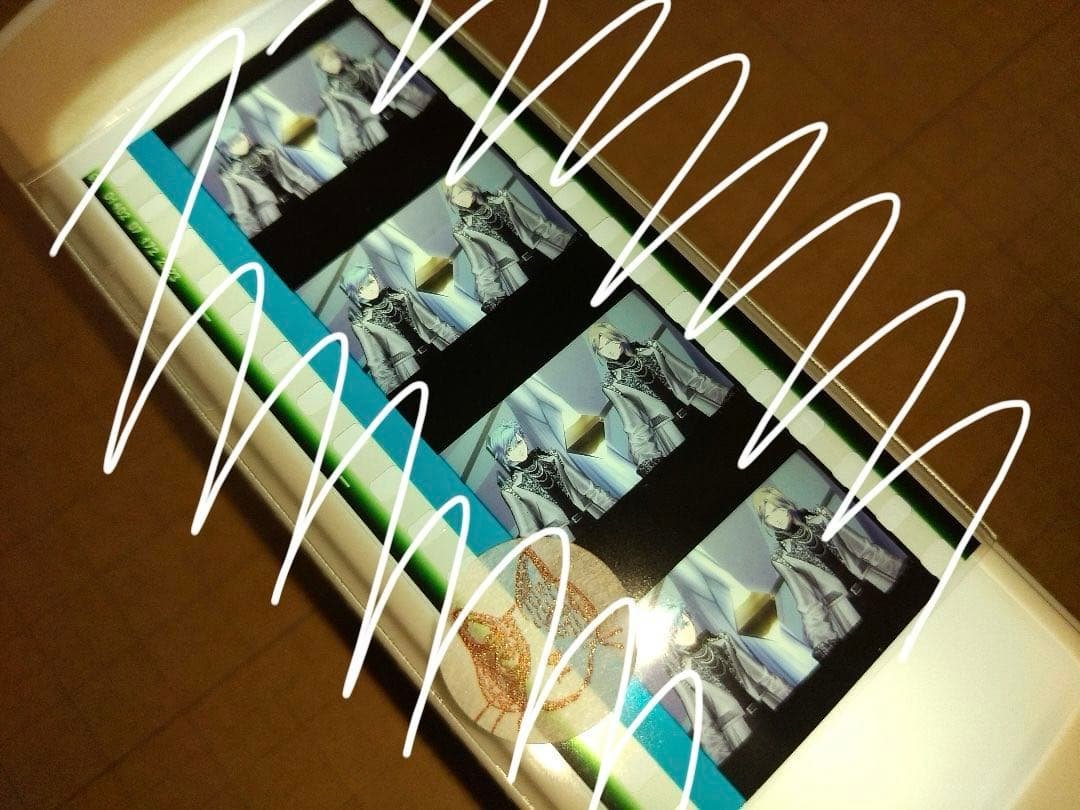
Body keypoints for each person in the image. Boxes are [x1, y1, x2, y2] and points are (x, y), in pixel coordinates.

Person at [752, 486, 907, 659]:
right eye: (768, 517)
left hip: (876, 584)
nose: (775, 519)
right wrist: (821, 640)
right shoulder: (783, 558)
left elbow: (866, 549)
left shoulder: (822, 517)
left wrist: (899, 568)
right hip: (848, 610)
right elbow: (808, 604)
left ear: (786, 504)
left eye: (776, 510)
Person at [588, 322, 729, 474]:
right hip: (672, 431)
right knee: (704, 470)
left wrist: (723, 394)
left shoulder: (653, 348)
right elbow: (635, 427)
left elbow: (694, 378)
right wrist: (647, 459)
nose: (607, 350)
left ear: (618, 338)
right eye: (601, 348)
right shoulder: (613, 385)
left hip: (699, 408)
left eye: (608, 342)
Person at [662, 609, 791, 765]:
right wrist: (727, 762)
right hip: (740, 731)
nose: (684, 631)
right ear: (670, 638)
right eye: (675, 631)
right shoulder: (682, 674)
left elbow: (765, 676)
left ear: (690, 619)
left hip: (769, 705)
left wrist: (793, 697)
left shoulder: (722, 640)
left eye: (684, 623)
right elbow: (704, 726)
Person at [445, 178, 574, 313]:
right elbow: (482, 267)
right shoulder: (463, 230)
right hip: (516, 271)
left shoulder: (503, 198)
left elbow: (540, 225)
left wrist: (566, 239)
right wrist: (491, 297)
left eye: (461, 192)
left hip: (543, 251)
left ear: (471, 188)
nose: (459, 199)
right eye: (454, 198)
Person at [339, 264, 461, 393]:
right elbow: (378, 365)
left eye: (370, 282)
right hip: (410, 368)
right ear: (355, 293)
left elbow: (437, 324)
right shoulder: (362, 324)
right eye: (361, 288)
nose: (369, 289)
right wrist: (394, 391)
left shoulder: (402, 295)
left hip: (437, 347)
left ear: (374, 277)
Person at [487, 421, 615, 537]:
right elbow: (529, 532)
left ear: (523, 439)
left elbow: (590, 489)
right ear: (504, 456)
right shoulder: (511, 490)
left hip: (591, 514)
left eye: (519, 442)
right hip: (564, 536)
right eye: (510, 449)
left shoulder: (552, 457)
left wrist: (612, 505)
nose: (518, 450)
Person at [311, 42, 430, 150]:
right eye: (324, 63)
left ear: (339, 55)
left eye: (332, 57)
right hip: (378, 128)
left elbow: (400, 86)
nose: (331, 64)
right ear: (321, 67)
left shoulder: (369, 65)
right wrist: (352, 151)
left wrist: (426, 100)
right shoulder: (331, 94)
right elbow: (345, 126)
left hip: (401, 110)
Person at [218, 132, 321, 237]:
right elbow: (242, 210)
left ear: (246, 137)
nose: (238, 144)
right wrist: (253, 234)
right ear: (227, 150)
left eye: (240, 139)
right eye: (232, 143)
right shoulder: (231, 176)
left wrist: (315, 188)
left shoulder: (269, 151)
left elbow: (298, 176)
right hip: (270, 214)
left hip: (296, 196)